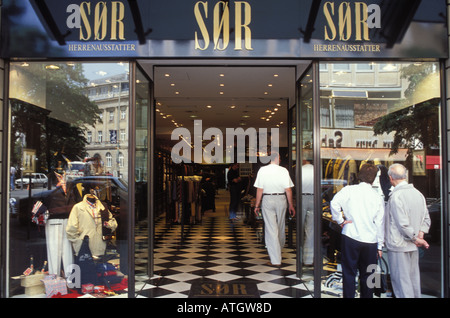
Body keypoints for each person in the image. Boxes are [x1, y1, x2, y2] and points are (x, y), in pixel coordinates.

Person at [330, 163, 384, 298]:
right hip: (370, 240)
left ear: (359, 175)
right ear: (374, 178)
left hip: (351, 236)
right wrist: (380, 245)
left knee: (349, 272)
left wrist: (341, 221)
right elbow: (380, 223)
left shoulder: (349, 190)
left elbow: (334, 203)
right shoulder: (377, 197)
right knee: (369, 275)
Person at [385, 163, 431, 298]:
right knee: (413, 281)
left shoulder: (396, 197)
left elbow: (402, 224)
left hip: (399, 245)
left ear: (390, 178)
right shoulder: (419, 194)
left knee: (401, 283)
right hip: (413, 245)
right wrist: (420, 235)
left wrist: (415, 238)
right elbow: (426, 218)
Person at [253, 151, 296, 266]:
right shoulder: (283, 171)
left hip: (267, 199)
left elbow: (259, 189)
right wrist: (291, 204)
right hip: (281, 199)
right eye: (280, 157)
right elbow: (288, 190)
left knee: (271, 229)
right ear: (277, 158)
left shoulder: (262, 170)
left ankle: (276, 258)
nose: (280, 159)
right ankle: (278, 252)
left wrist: (257, 205)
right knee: (281, 226)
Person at [302, 157, 314, 266]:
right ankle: (308, 259)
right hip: (314, 198)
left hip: (303, 198)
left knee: (301, 228)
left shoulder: (300, 169)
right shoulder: (316, 169)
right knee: (310, 230)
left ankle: (300, 256)